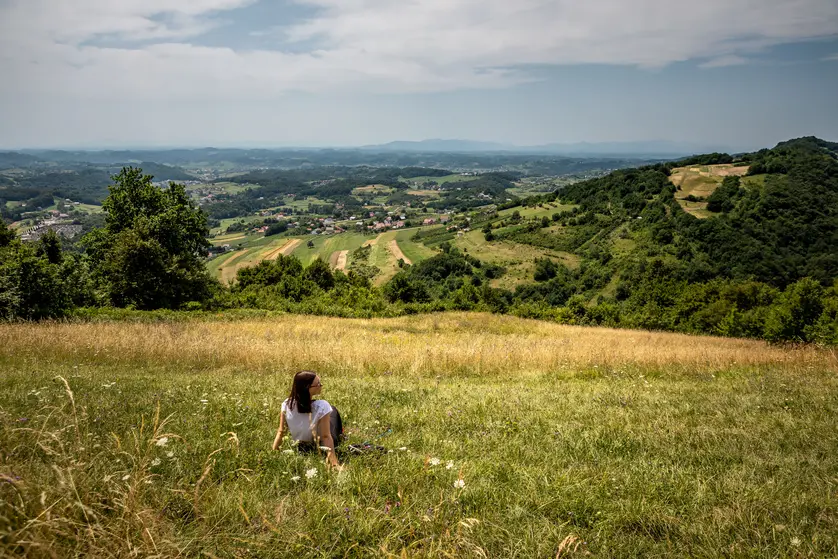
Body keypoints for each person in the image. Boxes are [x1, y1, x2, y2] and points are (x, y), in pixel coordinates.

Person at [272, 371, 343, 469]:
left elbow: (281, 432)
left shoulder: (286, 404)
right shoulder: (322, 406)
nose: (321, 385)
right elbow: (325, 436)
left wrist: (274, 453)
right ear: (307, 388)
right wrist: (335, 464)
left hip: (301, 446)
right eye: (318, 384)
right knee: (333, 410)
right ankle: (341, 435)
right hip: (321, 445)